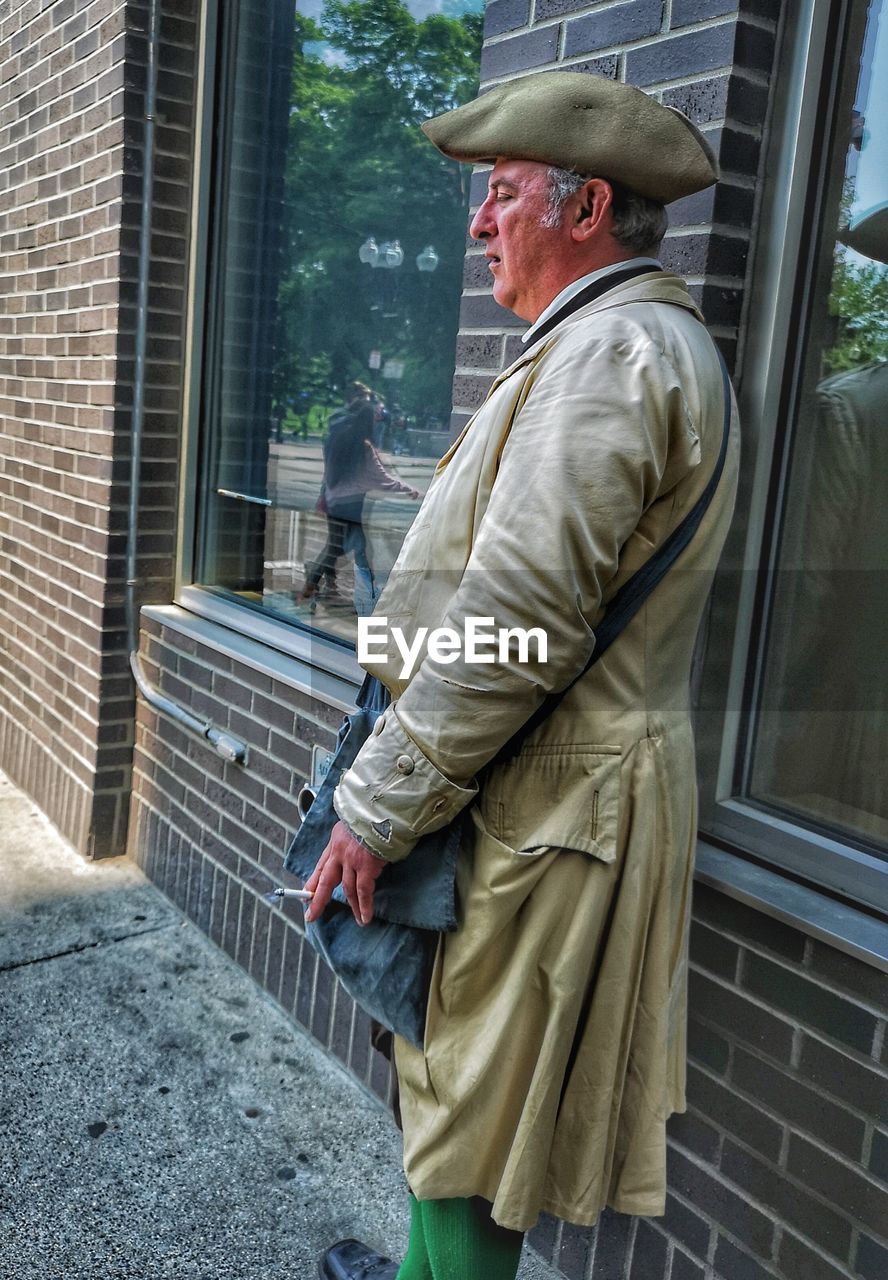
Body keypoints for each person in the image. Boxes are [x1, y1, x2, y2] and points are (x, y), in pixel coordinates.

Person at [304, 70, 740, 1280]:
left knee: (469, 1114)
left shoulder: (607, 351)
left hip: (546, 804)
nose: (480, 223)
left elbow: (519, 619)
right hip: (542, 793)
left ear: (586, 205)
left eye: (501, 194)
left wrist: (376, 807)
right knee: (459, 1100)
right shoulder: (618, 342)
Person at [302, 398, 420, 615]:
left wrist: (326, 495)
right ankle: (366, 597)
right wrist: (407, 489)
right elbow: (381, 477)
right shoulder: (364, 447)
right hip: (351, 506)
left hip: (334, 501)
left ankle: (317, 582)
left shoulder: (339, 439)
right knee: (353, 548)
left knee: (341, 546)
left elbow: (330, 472)